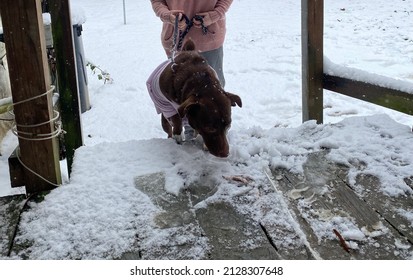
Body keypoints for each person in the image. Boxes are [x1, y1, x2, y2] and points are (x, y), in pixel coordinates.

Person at [150, 0, 233, 88]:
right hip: (176, 41)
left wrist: (215, 14)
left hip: (209, 41)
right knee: (181, 89)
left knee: (214, 88)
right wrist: (167, 15)